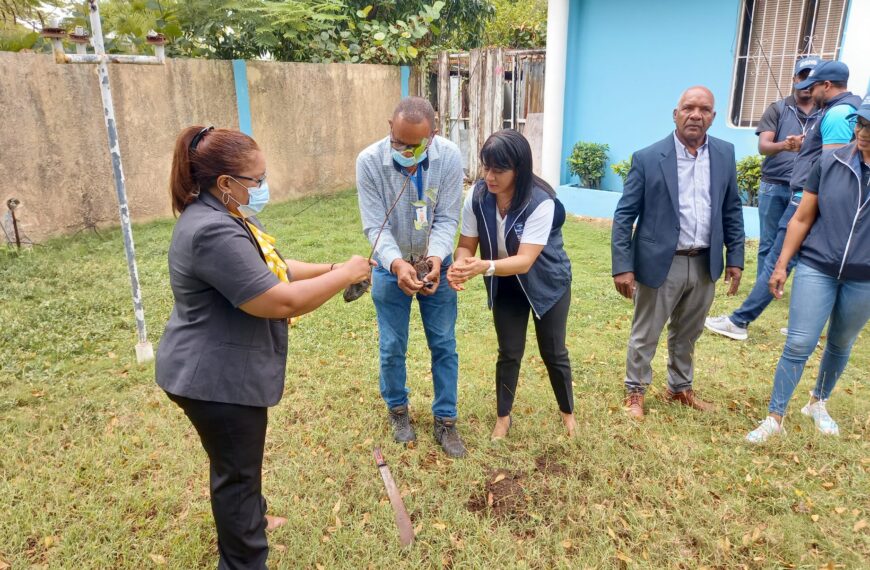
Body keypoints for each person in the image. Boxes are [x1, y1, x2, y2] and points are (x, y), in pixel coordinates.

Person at [156, 126, 373, 569]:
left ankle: (249, 517)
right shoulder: (211, 231)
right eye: (256, 180)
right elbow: (279, 300)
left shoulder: (227, 213)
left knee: (236, 465)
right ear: (225, 182)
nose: (261, 187)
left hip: (215, 371)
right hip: (214, 381)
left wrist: (331, 267)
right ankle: (243, 556)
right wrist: (346, 275)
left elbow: (274, 268)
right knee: (235, 475)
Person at [611, 86, 745, 419]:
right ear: (676, 114)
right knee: (646, 332)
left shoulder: (725, 154)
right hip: (661, 263)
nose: (695, 115)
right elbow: (624, 215)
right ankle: (635, 392)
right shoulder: (648, 158)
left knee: (688, 331)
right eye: (688, 108)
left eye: (704, 109)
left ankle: (679, 388)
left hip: (704, 262)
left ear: (713, 117)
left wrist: (736, 258)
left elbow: (732, 208)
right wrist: (622, 266)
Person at [706, 59, 861, 341]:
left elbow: (833, 168)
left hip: (807, 201)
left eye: (811, 87)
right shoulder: (839, 110)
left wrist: (808, 208)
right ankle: (805, 325)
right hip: (806, 198)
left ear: (826, 85)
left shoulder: (839, 114)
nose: (808, 93)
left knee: (778, 259)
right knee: (805, 263)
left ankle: (739, 321)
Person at [746, 96, 870, 443]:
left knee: (841, 342)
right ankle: (775, 416)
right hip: (818, 265)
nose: (862, 132)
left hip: (864, 277)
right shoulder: (830, 162)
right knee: (799, 342)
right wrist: (782, 264)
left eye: (869, 127)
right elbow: (802, 218)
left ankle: (818, 401)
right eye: (860, 124)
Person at [447, 130, 576, 440]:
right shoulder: (477, 197)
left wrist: (483, 266)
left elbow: (524, 261)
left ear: (518, 168)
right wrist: (462, 262)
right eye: (485, 167)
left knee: (554, 351)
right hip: (505, 285)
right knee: (509, 352)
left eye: (499, 170)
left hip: (548, 284)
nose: (489, 176)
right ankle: (503, 418)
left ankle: (568, 414)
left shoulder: (540, 201)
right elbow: (466, 244)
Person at [356, 97, 467, 457]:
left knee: (444, 344)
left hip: (437, 263)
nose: (404, 150)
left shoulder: (449, 157)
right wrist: (396, 264)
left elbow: (449, 217)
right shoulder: (369, 162)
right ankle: (398, 411)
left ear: (432, 135)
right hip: (393, 267)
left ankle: (446, 420)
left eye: (414, 145)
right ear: (390, 126)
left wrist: (436, 256)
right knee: (392, 346)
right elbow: (375, 224)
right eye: (397, 141)